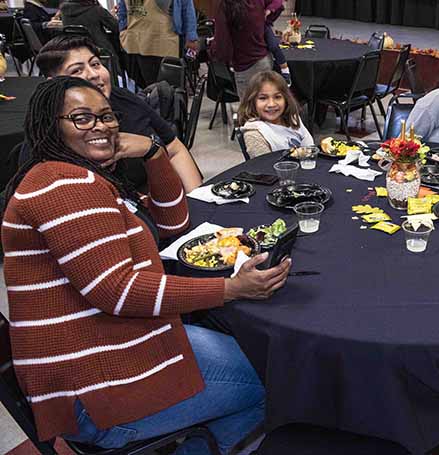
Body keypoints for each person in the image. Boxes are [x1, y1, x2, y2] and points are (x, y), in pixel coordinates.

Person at [2, 76, 292, 454]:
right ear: (49, 126)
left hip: (109, 341)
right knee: (270, 387)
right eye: (82, 118)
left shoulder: (85, 177)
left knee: (252, 358)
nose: (102, 127)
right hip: (92, 391)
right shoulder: (60, 185)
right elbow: (119, 291)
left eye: (106, 117)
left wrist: (154, 153)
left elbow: (173, 223)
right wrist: (230, 289)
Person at [34, 35, 202, 192]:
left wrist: (199, 200)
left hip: (162, 202)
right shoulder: (48, 132)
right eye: (77, 70)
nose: (93, 74)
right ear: (53, 84)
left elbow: (174, 148)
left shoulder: (124, 99)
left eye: (95, 64)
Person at [117, 0, 198, 88]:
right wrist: (123, 30)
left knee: (169, 87)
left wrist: (191, 37)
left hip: (165, 42)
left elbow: (187, 10)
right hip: (135, 43)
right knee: (146, 88)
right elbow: (122, 12)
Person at [238, 70, 313, 156]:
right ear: (252, 101)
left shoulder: (293, 118)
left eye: (277, 97)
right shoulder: (254, 134)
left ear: (286, 99)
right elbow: (264, 167)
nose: (271, 104)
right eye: (263, 98)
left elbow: (310, 149)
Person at [212, 0, 273, 99]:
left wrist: (211, 52)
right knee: (264, 108)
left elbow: (222, 44)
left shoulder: (225, 4)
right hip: (264, 60)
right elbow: (278, 3)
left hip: (245, 64)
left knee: (249, 111)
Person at [60, 0, 123, 76]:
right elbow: (116, 27)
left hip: (75, 49)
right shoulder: (96, 10)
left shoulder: (64, 10)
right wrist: (110, 15)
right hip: (100, 50)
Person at [264, 0, 291, 85]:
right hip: (253, 23)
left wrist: (268, 11)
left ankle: (285, 72)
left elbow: (278, 2)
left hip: (264, 25)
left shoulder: (278, 4)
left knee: (273, 46)